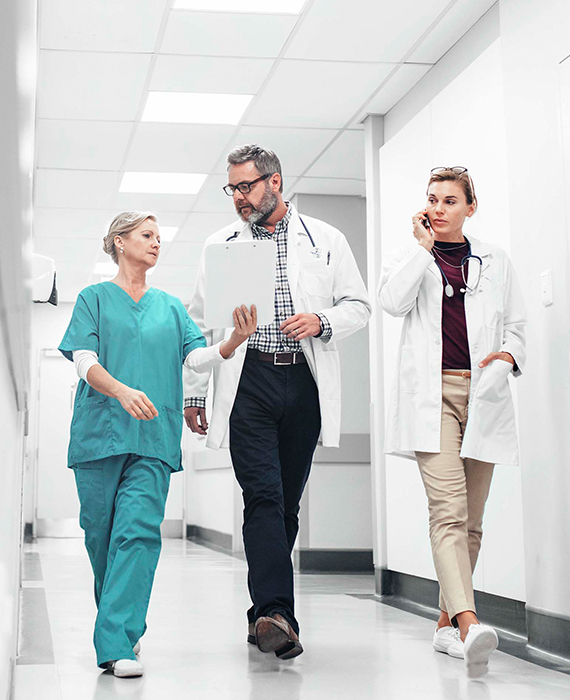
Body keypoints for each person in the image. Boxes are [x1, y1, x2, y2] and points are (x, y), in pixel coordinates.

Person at [184, 145, 371, 659]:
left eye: (247, 187)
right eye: (233, 189)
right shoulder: (219, 244)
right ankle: (278, 612)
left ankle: (261, 614)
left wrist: (322, 322)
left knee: (286, 502)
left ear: (275, 181)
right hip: (248, 381)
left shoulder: (325, 240)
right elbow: (200, 325)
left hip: (304, 381)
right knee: (263, 497)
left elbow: (359, 305)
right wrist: (196, 391)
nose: (239, 199)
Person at [59, 211, 256, 677]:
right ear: (119, 242)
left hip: (153, 437)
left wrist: (231, 342)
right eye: (147, 236)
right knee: (102, 540)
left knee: (138, 534)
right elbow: (83, 360)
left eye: (159, 238)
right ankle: (124, 623)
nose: (156, 243)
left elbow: (197, 357)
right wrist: (122, 391)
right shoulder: (93, 299)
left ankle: (115, 644)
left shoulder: (170, 307)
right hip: (97, 436)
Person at [378, 167, 526, 677]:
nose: (438, 209)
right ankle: (469, 624)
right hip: (432, 395)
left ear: (470, 207)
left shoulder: (495, 259)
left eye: (449, 201)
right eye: (431, 200)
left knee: (473, 522)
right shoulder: (411, 256)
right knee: (448, 511)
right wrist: (421, 250)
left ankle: (443, 622)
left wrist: (507, 357)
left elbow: (517, 325)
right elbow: (391, 303)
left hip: (482, 392)